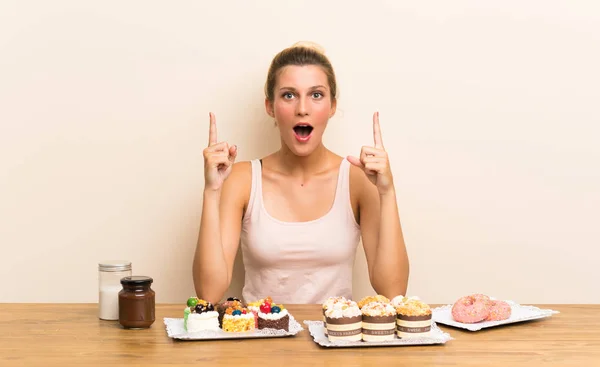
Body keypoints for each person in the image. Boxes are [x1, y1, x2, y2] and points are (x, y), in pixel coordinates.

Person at [193, 41, 409, 304]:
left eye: (316, 95)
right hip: (259, 339)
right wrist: (212, 191)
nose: (302, 108)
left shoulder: (358, 179)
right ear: (270, 106)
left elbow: (393, 292)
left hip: (339, 338)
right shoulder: (241, 179)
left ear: (331, 106)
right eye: (289, 95)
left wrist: (387, 191)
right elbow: (209, 293)